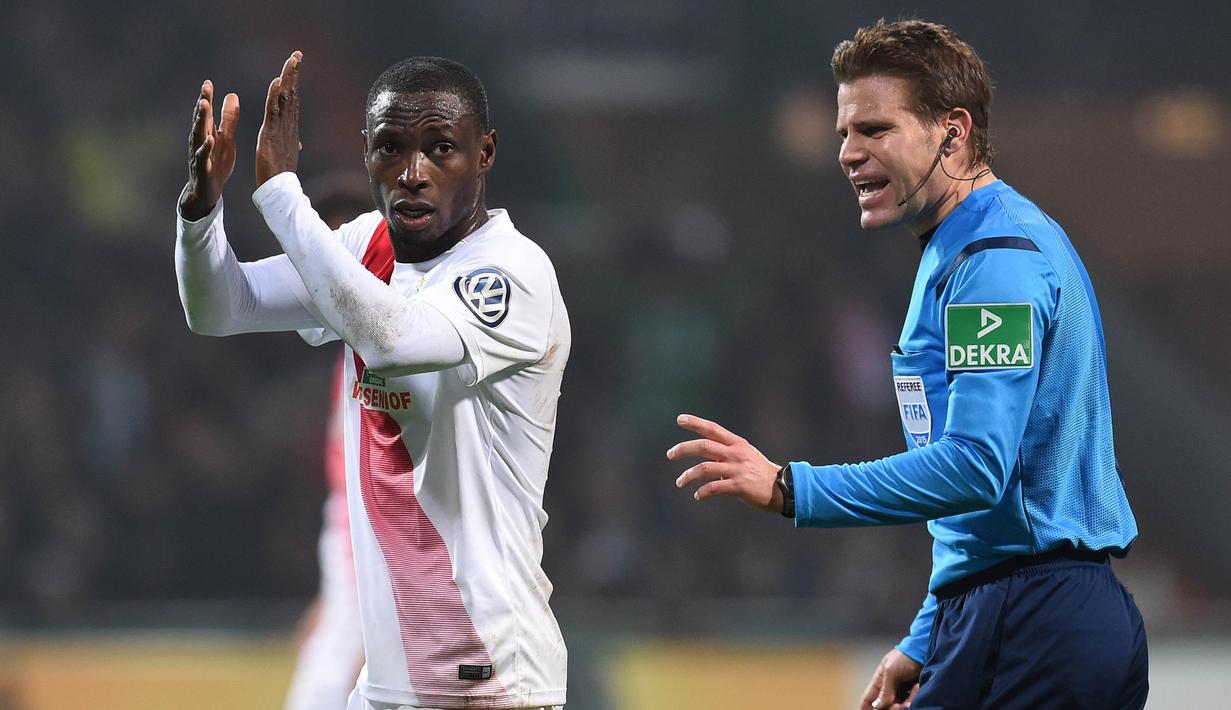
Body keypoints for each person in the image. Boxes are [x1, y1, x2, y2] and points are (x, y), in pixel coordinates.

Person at [667, 19, 1147, 710]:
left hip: (1033, 620)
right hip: (1017, 610)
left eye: (874, 130)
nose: (848, 154)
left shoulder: (995, 265)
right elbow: (987, 516)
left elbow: (977, 466)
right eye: (843, 134)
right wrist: (928, 633)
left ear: (951, 133)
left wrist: (788, 487)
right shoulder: (962, 249)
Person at [175, 52, 569, 710]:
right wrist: (199, 213)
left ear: (485, 153)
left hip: (488, 677)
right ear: (365, 154)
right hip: (388, 683)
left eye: (440, 148)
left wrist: (280, 195)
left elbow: (396, 340)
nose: (413, 173)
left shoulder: (511, 273)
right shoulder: (366, 246)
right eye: (391, 148)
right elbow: (221, 308)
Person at [282, 177, 370, 710]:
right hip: (347, 557)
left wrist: (374, 617)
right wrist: (333, 599)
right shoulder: (350, 352)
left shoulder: (402, 348)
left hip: (383, 560)